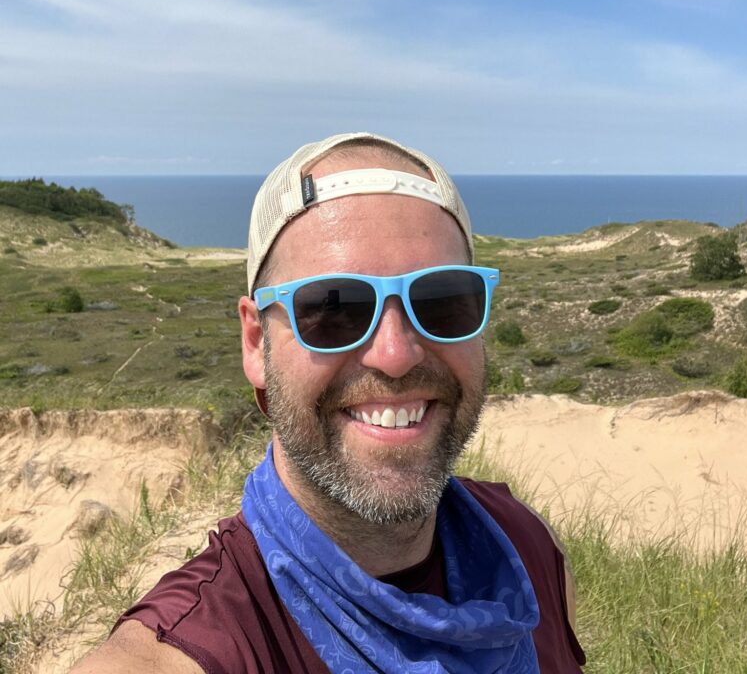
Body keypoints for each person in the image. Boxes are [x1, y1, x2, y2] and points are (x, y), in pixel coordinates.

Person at [71, 132, 585, 674]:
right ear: (255, 342)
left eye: (441, 301)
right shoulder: (188, 652)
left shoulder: (528, 551)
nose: (395, 355)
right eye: (333, 309)